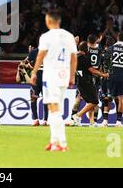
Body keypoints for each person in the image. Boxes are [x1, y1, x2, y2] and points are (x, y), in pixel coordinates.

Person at [30, 11, 77, 152]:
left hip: (51, 75)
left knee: (55, 108)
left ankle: (62, 143)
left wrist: (34, 71)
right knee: (53, 107)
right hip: (63, 74)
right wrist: (72, 76)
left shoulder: (46, 36)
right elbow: (74, 58)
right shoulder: (69, 36)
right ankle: (53, 141)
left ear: (49, 21)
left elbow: (40, 54)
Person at [70, 41, 108, 126]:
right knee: (94, 101)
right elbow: (92, 70)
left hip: (79, 82)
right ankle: (77, 116)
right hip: (86, 82)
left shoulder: (76, 57)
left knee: (90, 102)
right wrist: (103, 74)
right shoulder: (84, 58)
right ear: (86, 49)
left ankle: (91, 122)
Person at [26, 44, 48, 126]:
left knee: (44, 100)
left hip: (44, 78)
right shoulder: (33, 52)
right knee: (34, 98)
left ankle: (44, 120)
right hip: (40, 79)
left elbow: (28, 64)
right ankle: (36, 119)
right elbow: (27, 63)